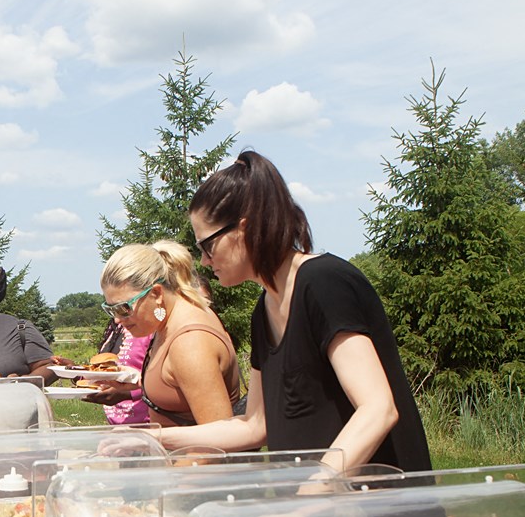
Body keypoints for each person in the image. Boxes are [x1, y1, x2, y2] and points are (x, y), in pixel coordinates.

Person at [162, 149, 431, 475]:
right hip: (316, 514)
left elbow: (378, 409)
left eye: (207, 246)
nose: (204, 261)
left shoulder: (323, 283)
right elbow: (254, 425)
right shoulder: (264, 310)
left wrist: (314, 490)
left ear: (242, 230)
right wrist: (158, 438)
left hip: (382, 512)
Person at [92, 241, 242, 427]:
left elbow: (219, 437)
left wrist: (150, 437)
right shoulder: (169, 323)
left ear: (156, 293)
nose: (117, 320)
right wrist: (137, 381)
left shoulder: (190, 341)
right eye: (111, 309)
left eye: (123, 308)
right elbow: (179, 383)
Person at [94, 320, 153, 426]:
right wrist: (74, 372)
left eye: (121, 307)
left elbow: (167, 381)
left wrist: (128, 393)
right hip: (118, 426)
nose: (117, 318)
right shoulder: (116, 328)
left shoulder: (152, 330)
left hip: (149, 425)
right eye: (110, 308)